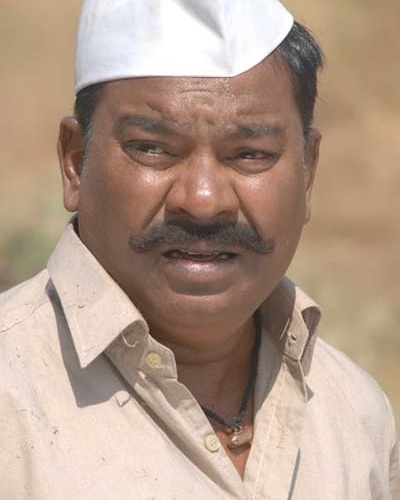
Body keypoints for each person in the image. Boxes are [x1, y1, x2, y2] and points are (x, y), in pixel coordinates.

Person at [0, 0, 398, 498]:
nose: (204, 201)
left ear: (308, 171)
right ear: (76, 163)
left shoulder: (353, 416)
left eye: (250, 154)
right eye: (153, 148)